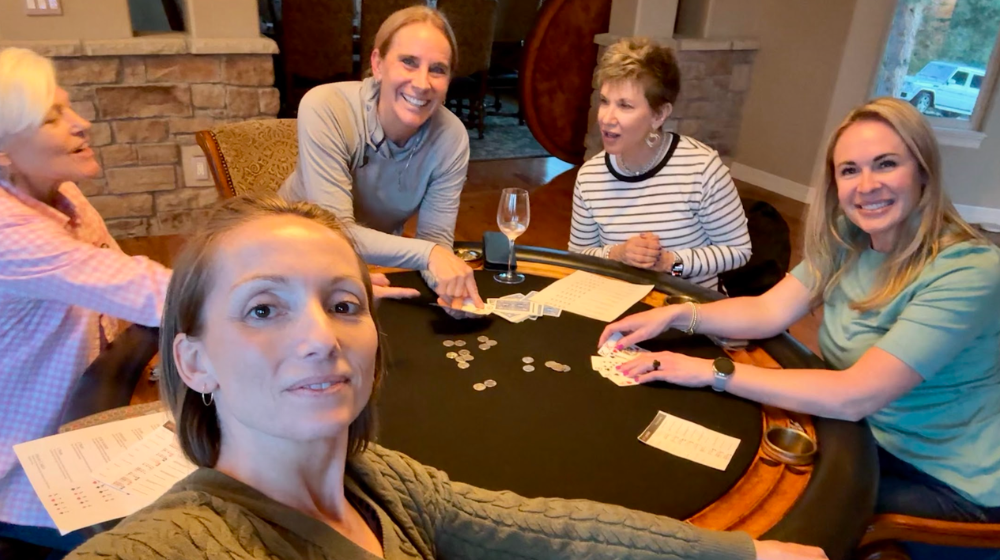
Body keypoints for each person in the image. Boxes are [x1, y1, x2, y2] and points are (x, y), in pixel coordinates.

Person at [67, 195, 826, 560]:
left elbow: (555, 532)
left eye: (341, 303)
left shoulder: (383, 483)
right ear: (194, 360)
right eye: (263, 309)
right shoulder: (187, 543)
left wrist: (748, 554)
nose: (318, 338)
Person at [599, 98, 1000, 559]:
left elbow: (855, 395)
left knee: (779, 521)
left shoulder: (969, 270)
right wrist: (674, 314)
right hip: (860, 435)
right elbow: (768, 312)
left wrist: (713, 371)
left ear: (923, 170)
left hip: (947, 479)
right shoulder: (850, 238)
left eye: (885, 164)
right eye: (849, 170)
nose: (866, 186)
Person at [0, 48, 172, 555]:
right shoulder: (10, 232)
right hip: (27, 469)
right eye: (53, 118)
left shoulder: (64, 194)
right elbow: (153, 292)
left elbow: (121, 290)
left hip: (93, 408)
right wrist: (298, 281)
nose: (82, 124)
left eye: (69, 107)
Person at [278, 5, 482, 311]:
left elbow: (435, 238)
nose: (422, 83)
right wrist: (430, 255)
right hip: (288, 259)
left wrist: (450, 290)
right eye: (408, 62)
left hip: (371, 267)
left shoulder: (452, 137)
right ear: (377, 63)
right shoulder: (326, 106)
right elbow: (336, 232)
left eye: (437, 69)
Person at [569, 37, 752, 291]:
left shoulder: (701, 168)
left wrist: (670, 263)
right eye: (604, 101)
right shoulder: (590, 176)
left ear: (659, 115)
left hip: (690, 309)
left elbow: (738, 250)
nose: (606, 118)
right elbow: (578, 256)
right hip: (616, 305)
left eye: (625, 105)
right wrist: (618, 254)